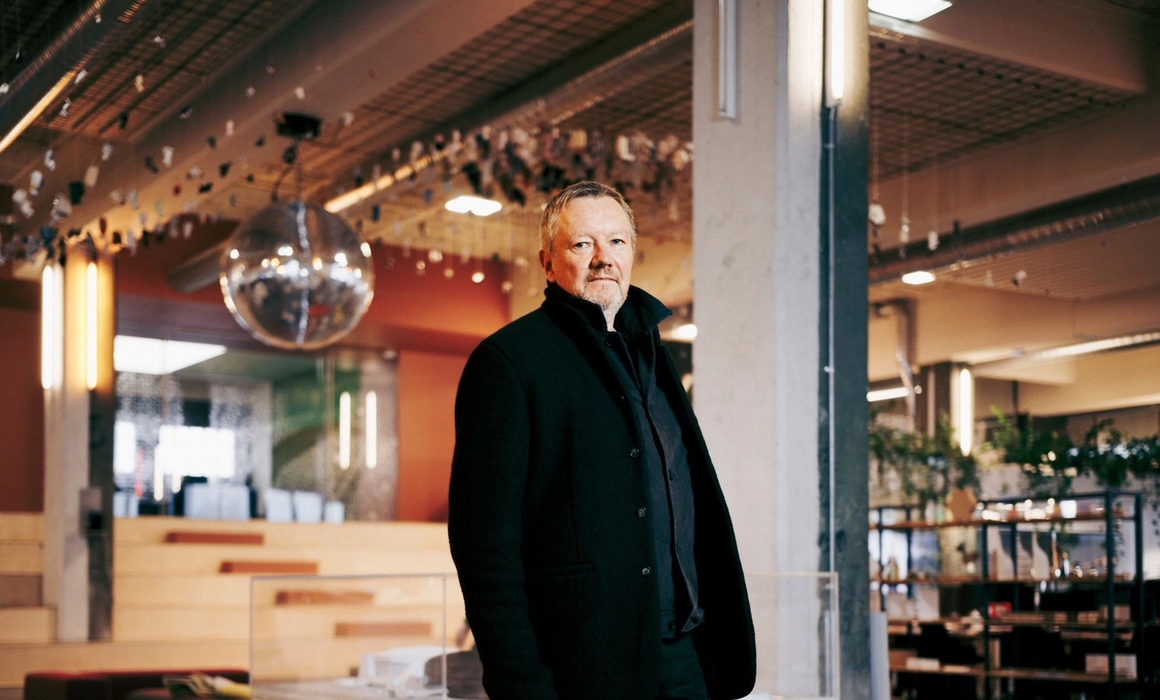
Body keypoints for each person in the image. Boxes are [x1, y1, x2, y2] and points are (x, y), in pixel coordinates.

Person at [448, 181, 756, 700]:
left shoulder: (652, 353)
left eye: (616, 242)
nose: (602, 258)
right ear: (548, 263)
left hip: (686, 653)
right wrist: (520, 683)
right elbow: (485, 546)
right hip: (585, 665)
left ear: (631, 253)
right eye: (581, 244)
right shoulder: (508, 364)